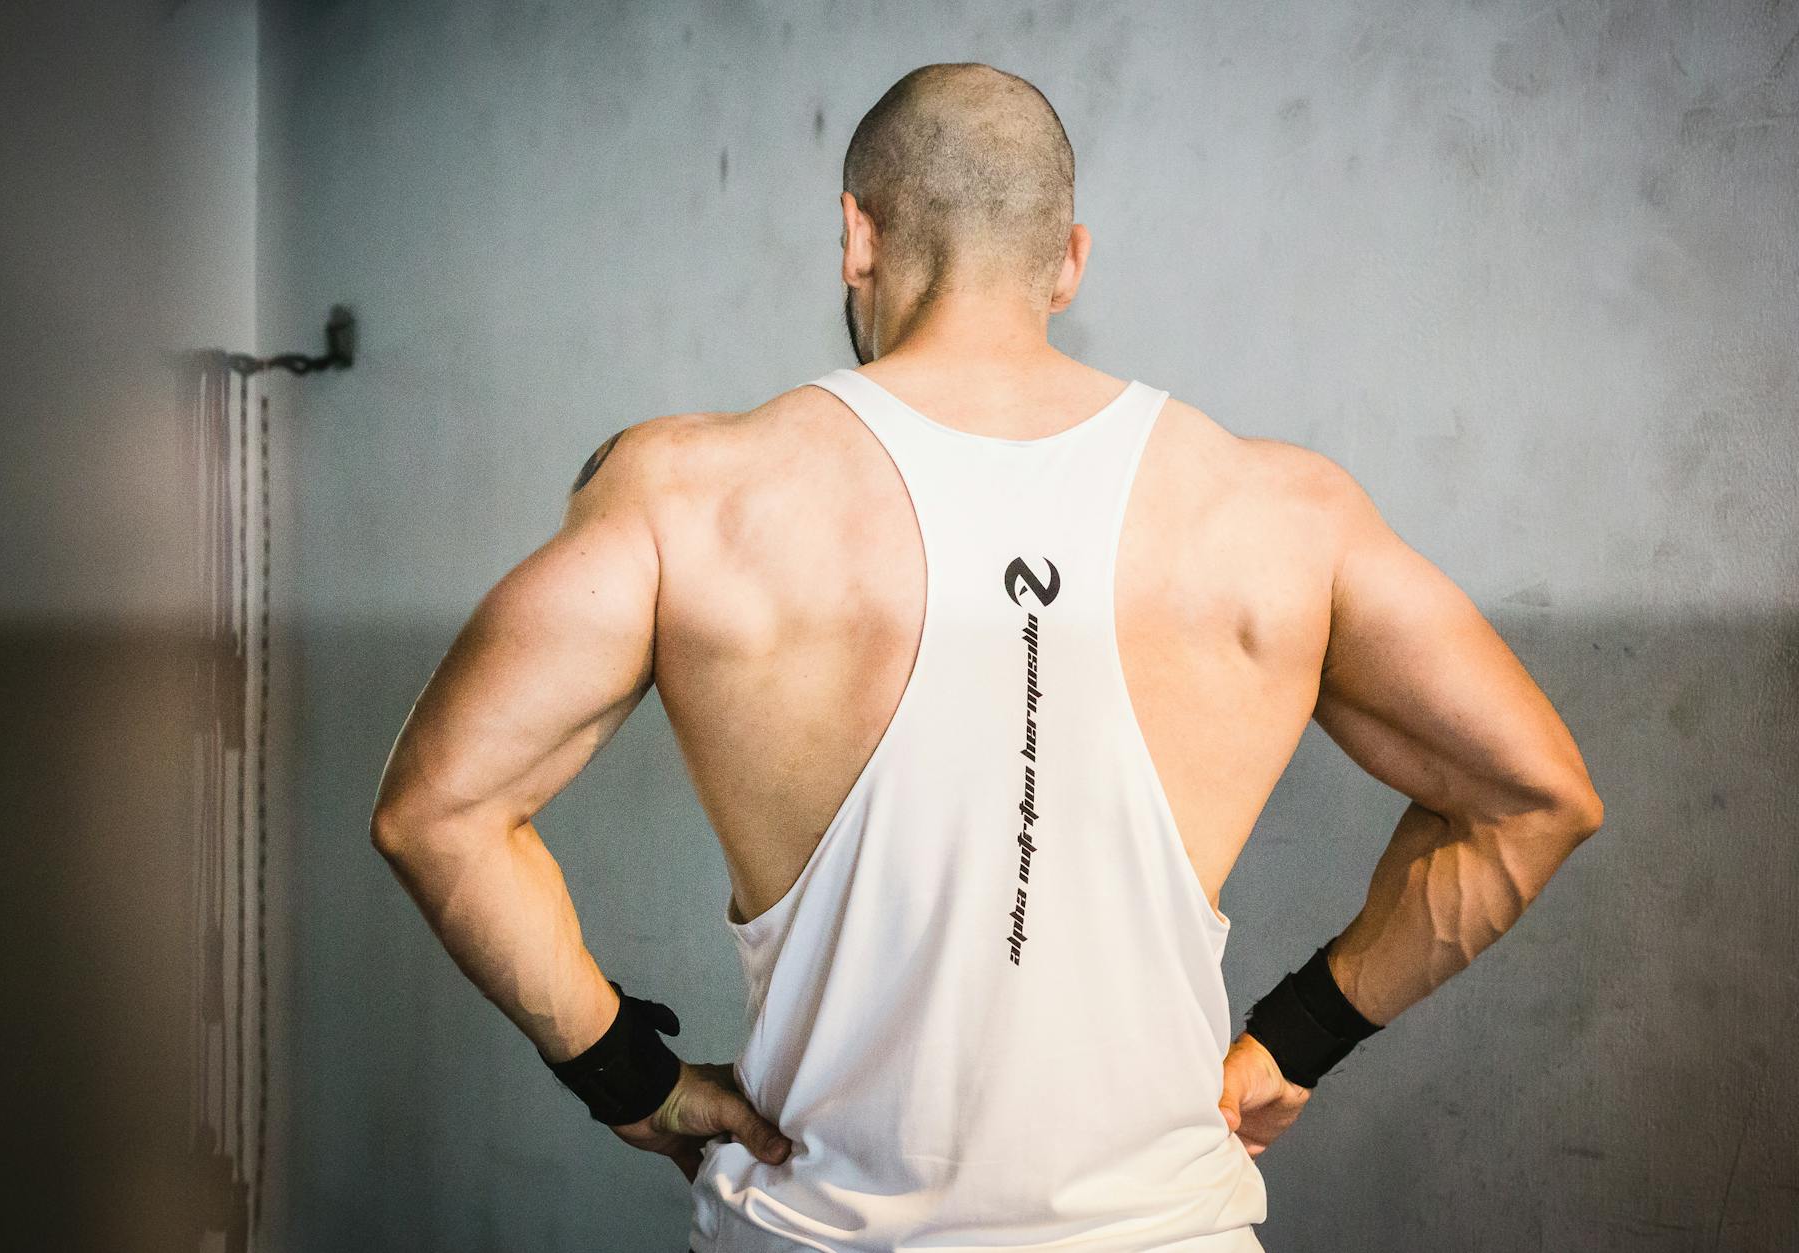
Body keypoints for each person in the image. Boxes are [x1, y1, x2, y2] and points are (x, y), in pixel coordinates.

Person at [369, 61, 1603, 1252]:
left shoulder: (689, 496)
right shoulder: (1281, 514)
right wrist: (1297, 1033)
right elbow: (1537, 795)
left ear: (857, 236)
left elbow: (438, 812)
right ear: (1066, 260)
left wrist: (626, 1073)